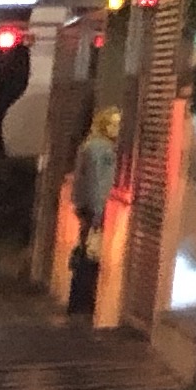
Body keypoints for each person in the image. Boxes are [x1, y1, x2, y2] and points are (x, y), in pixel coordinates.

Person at [67, 110, 120, 318]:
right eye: (113, 124)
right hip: (96, 207)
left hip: (86, 207)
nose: (117, 129)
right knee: (92, 253)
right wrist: (98, 210)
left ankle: (77, 300)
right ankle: (85, 300)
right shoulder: (102, 149)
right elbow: (98, 181)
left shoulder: (89, 146)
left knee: (85, 249)